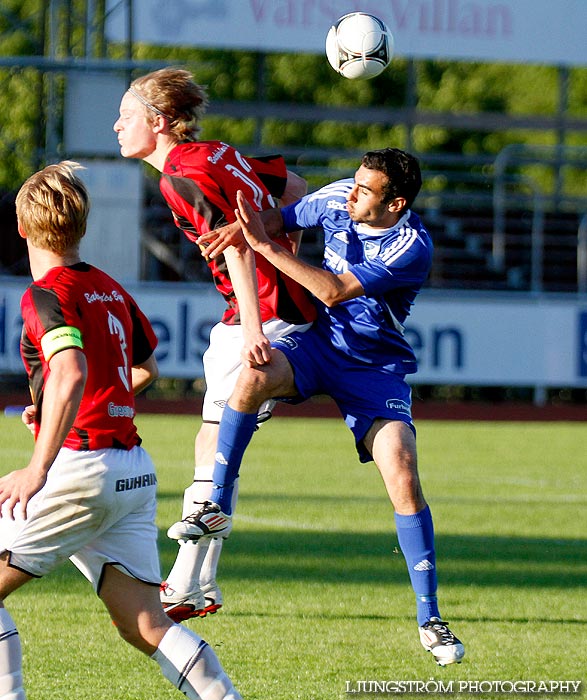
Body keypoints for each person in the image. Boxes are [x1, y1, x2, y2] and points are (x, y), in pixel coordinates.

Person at [178, 148, 465, 667]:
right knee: (252, 377)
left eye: (365, 189)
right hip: (316, 346)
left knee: (402, 471)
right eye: (353, 182)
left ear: (395, 203)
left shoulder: (411, 246)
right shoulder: (336, 197)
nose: (350, 193)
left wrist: (263, 246)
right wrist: (235, 231)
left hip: (372, 368)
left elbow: (333, 292)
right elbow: (279, 216)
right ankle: (216, 504)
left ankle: (431, 618)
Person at [0, 161, 242, 699]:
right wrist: (71, 408)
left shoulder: (45, 294)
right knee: (147, 625)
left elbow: (70, 371)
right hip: (130, 472)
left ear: (21, 228)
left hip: (78, 468)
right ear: (82, 225)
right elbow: (142, 371)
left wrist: (38, 463)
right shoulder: (108, 288)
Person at [113, 67, 315, 622]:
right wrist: (287, 244)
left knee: (216, 445)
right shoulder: (216, 152)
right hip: (265, 308)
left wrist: (253, 329)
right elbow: (294, 188)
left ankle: (185, 584)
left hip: (264, 315)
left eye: (126, 117)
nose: (117, 126)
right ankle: (195, 583)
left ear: (157, 122)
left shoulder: (180, 176)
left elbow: (238, 250)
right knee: (216, 445)